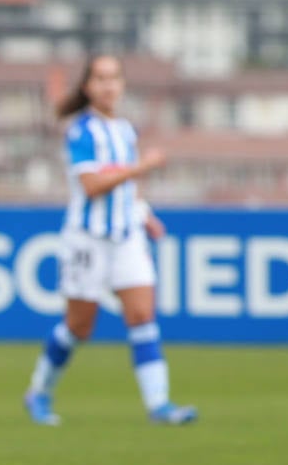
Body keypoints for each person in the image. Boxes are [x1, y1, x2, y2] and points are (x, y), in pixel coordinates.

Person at [23, 53, 197, 427]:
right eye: (100, 78)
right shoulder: (81, 131)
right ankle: (38, 392)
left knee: (142, 315)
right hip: (88, 241)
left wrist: (145, 213)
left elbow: (127, 189)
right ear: (88, 87)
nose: (108, 85)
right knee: (79, 326)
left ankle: (160, 405)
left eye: (114, 77)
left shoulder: (124, 130)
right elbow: (92, 185)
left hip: (126, 237)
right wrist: (141, 167)